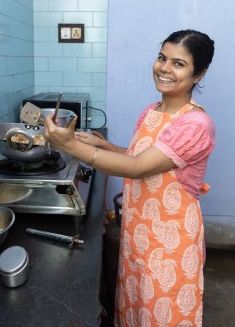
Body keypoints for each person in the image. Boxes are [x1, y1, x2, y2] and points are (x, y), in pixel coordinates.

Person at [44, 29, 215, 326]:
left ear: (198, 74)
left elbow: (137, 167)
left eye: (178, 63)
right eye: (162, 58)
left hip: (170, 240)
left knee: (163, 313)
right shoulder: (152, 111)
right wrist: (103, 145)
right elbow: (143, 158)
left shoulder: (196, 124)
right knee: (136, 307)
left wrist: (69, 145)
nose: (164, 68)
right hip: (138, 234)